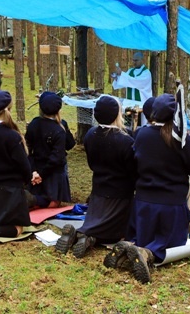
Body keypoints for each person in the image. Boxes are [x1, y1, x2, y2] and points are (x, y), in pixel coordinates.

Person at [103, 94, 190, 283]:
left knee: (142, 237)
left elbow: (135, 165)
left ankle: (129, 247)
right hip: (171, 207)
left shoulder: (142, 133)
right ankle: (146, 254)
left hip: (143, 206)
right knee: (167, 245)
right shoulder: (181, 139)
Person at [55, 96, 137, 258]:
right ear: (116, 114)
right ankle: (88, 237)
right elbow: (132, 170)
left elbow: (92, 164)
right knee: (114, 231)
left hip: (98, 191)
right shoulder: (125, 141)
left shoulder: (90, 135)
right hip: (120, 194)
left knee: (95, 220)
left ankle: (81, 233)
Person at [0, 91, 41, 239]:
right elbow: (23, 164)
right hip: (11, 190)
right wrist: (29, 178)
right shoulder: (11, 136)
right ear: (8, 109)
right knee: (17, 228)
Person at [25, 91, 75, 208]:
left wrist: (35, 172)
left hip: (37, 168)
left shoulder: (34, 123)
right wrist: (40, 174)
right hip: (53, 172)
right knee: (53, 201)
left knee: (40, 196)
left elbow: (28, 148)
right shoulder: (59, 128)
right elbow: (60, 155)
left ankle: (32, 200)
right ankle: (35, 201)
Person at [112, 52, 153, 126]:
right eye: (133, 60)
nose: (134, 62)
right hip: (130, 103)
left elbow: (136, 82)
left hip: (142, 103)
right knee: (129, 124)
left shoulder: (146, 73)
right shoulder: (130, 71)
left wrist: (122, 74)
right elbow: (124, 82)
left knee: (140, 124)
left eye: (136, 60)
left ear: (142, 60)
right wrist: (117, 78)